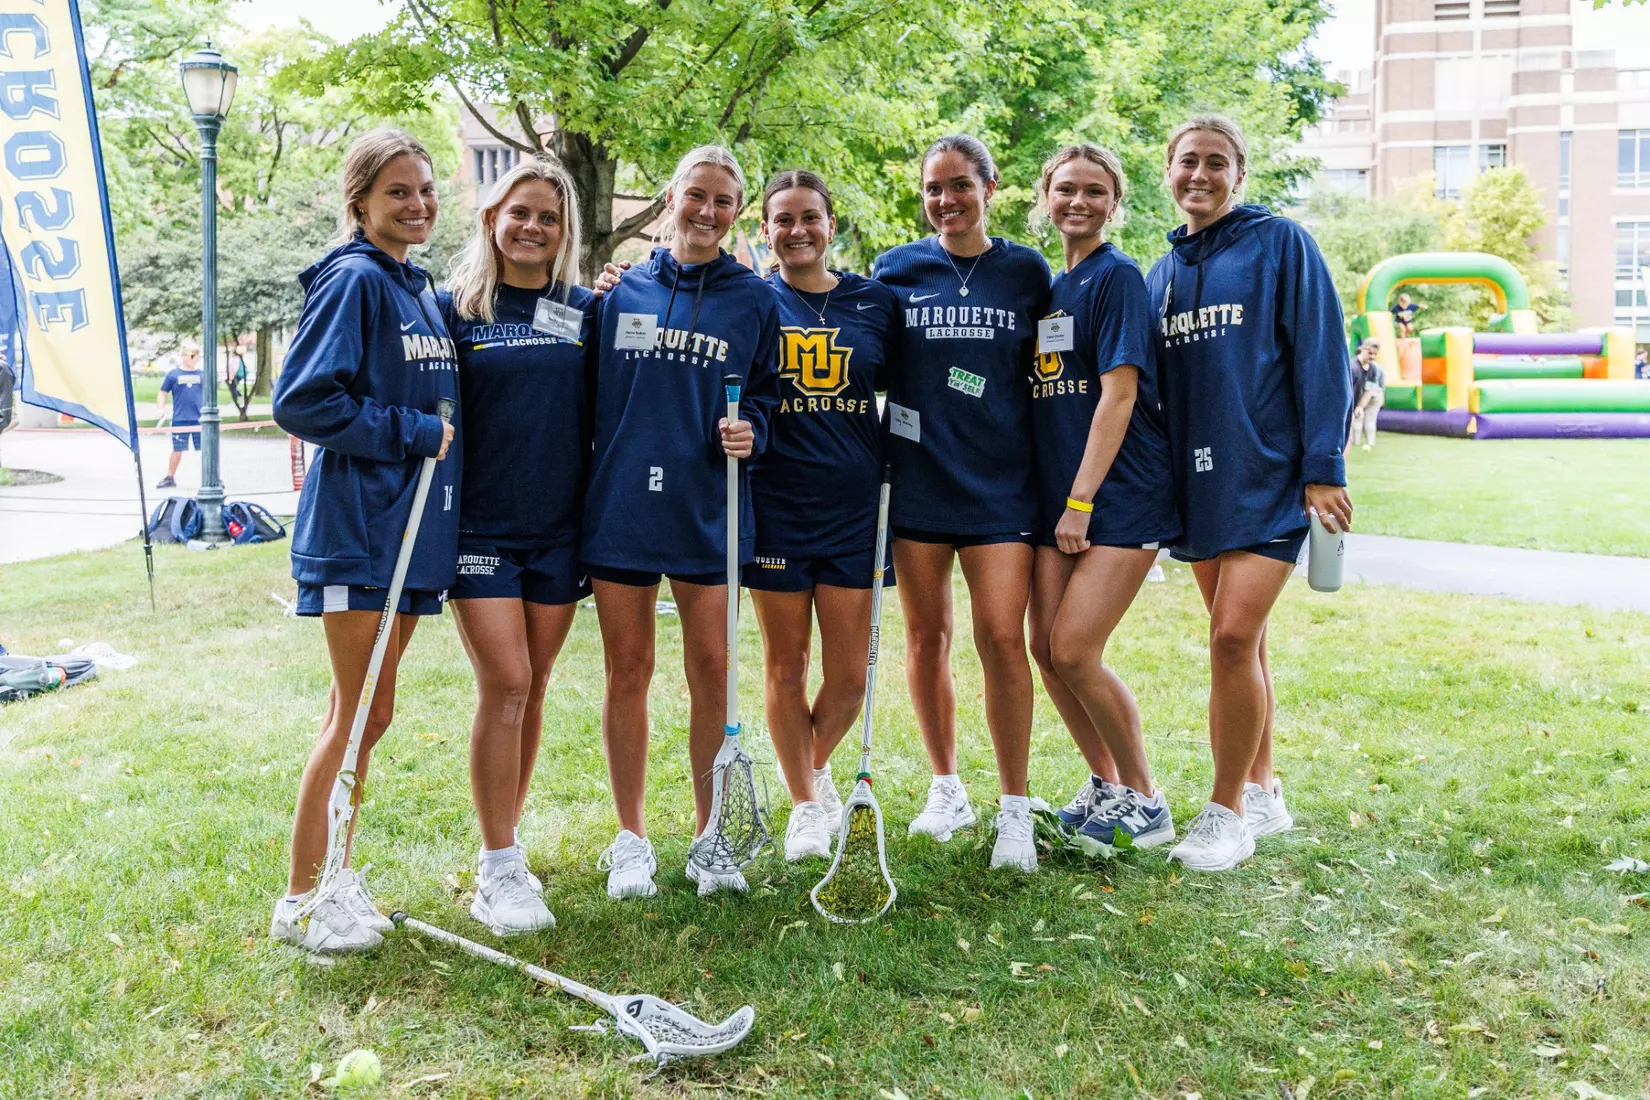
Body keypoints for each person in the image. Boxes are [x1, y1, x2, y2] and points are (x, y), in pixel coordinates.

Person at [1144, 115, 1353, 872]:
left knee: (1231, 638)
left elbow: (1325, 353)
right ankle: (1264, 789)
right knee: (1247, 643)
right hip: (1197, 487)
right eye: (1186, 161)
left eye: (1215, 163)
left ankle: (1226, 809)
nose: (1199, 174)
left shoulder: (1280, 244)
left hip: (1268, 477)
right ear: (1167, 171)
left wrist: (1323, 466)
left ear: (1240, 174)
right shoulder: (1159, 276)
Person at [269, 129, 460, 953]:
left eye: (424, 190)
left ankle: (338, 877)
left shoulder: (413, 286)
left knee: (369, 712)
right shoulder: (353, 280)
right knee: (353, 717)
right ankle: (303, 899)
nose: (417, 204)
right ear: (359, 204)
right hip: (358, 530)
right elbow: (305, 401)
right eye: (397, 193)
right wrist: (411, 429)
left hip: (406, 534)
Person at [581, 145, 780, 899]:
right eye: (697, 195)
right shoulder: (618, 292)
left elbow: (766, 399)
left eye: (723, 201)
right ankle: (630, 838)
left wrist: (752, 430)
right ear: (672, 197)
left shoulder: (753, 299)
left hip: (710, 511)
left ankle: (709, 837)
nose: (707, 211)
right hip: (624, 505)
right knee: (627, 672)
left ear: (737, 213)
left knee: (714, 675)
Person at [871, 134, 1051, 872]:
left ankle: (1015, 809)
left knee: (1003, 640)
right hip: (916, 480)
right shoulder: (896, 269)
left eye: (959, 185)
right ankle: (947, 787)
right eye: (933, 188)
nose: (946, 200)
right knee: (926, 639)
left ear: (990, 186)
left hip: (1001, 485)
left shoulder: (1026, 272)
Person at [437, 157, 592, 935]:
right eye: (520, 212)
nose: (533, 227)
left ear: (564, 234)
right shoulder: (453, 310)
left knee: (531, 686)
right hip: (480, 532)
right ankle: (498, 868)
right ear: (493, 216)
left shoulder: (583, 310)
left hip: (560, 532)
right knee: (505, 682)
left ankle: (507, 843)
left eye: (549, 218)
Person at [1024, 144, 1182, 850]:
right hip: (1058, 495)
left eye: (1094, 191)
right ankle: (1107, 783)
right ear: (1045, 198)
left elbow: (1118, 393)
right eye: (1065, 189)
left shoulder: (1117, 279)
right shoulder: (1054, 287)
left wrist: (1082, 499)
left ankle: (1147, 798)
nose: (1078, 201)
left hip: (1120, 495)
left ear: (1115, 203)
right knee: (1044, 648)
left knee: (1077, 648)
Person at [744, 170, 901, 861]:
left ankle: (808, 767)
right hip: (776, 505)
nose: (798, 230)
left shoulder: (875, 303)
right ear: (765, 230)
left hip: (854, 508)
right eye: (783, 220)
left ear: (830, 225)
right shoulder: (750, 301)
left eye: (810, 217)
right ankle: (808, 805)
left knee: (849, 676)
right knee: (786, 664)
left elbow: (920, 387)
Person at [154, 346, 204, 489]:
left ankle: (214, 477)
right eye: (192, 355)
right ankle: (170, 477)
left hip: (200, 419)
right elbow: (163, 392)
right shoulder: (173, 375)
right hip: (180, 418)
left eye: (197, 356)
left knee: (206, 449)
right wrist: (161, 408)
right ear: (183, 356)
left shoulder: (203, 375)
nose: (194, 359)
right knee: (177, 449)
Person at [1348, 338, 1385, 453]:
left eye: (1375, 354)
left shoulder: (1373, 369)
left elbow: (1369, 390)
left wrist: (1360, 406)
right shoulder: (1352, 367)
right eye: (1370, 353)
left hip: (1358, 400)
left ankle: (1363, 443)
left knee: (1362, 419)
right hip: (1347, 402)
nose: (1372, 357)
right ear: (1362, 349)